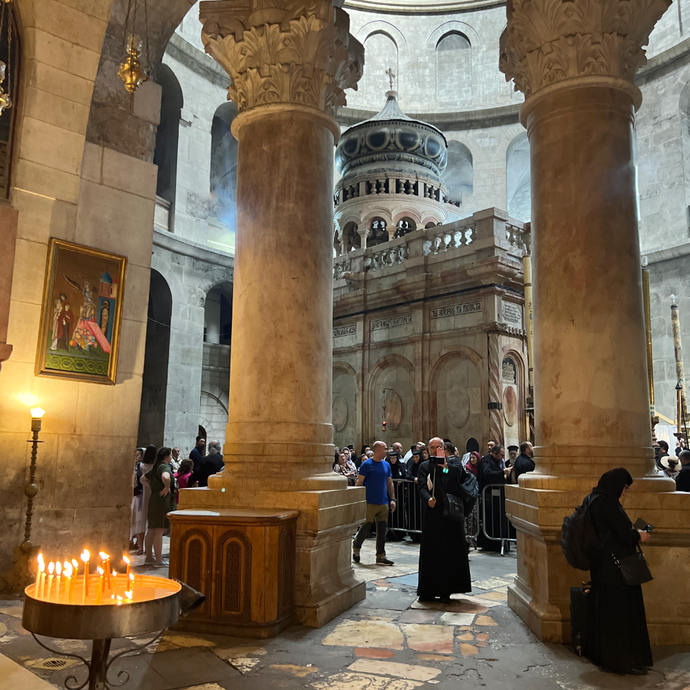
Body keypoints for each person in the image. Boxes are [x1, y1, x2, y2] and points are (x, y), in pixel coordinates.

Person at [585, 468, 652, 675]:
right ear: (615, 484)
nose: (625, 492)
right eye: (624, 487)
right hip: (617, 568)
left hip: (602, 565)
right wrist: (639, 535)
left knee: (605, 612)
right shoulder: (608, 503)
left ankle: (604, 657)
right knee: (621, 615)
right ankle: (622, 661)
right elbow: (623, 535)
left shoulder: (593, 498)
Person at [416, 437, 471, 602]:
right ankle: (428, 590)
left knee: (449, 551)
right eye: (432, 447)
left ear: (444, 448)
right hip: (433, 514)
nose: (435, 450)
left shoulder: (453, 464)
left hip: (451, 516)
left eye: (438, 447)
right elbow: (422, 487)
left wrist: (444, 467)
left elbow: (457, 475)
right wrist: (427, 499)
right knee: (432, 551)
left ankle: (447, 590)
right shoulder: (425, 466)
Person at [352, 440, 396, 566]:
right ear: (377, 450)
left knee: (382, 529)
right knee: (366, 527)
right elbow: (359, 483)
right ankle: (356, 546)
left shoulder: (386, 465)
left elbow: (389, 482)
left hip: (383, 501)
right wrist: (358, 499)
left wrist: (392, 499)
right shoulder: (367, 465)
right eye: (385, 448)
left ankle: (381, 555)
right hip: (370, 501)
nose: (387, 451)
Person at [142, 447, 176, 567]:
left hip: (154, 498)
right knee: (159, 530)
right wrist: (166, 487)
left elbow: (143, 479)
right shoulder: (164, 467)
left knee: (151, 529)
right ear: (166, 456)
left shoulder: (155, 466)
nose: (171, 458)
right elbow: (166, 477)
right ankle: (158, 560)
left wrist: (153, 488)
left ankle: (149, 558)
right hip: (162, 500)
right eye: (170, 455)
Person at [477, 444, 512, 551]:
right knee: (491, 521)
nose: (502, 458)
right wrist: (502, 472)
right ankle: (492, 544)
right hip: (489, 497)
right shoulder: (487, 461)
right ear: (494, 453)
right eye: (500, 455)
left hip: (496, 498)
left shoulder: (494, 460)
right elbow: (487, 474)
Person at [130, 445, 155, 555]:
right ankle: (149, 548)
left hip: (140, 496)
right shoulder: (156, 467)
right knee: (152, 524)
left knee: (140, 522)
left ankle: (140, 547)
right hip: (152, 496)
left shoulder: (140, 466)